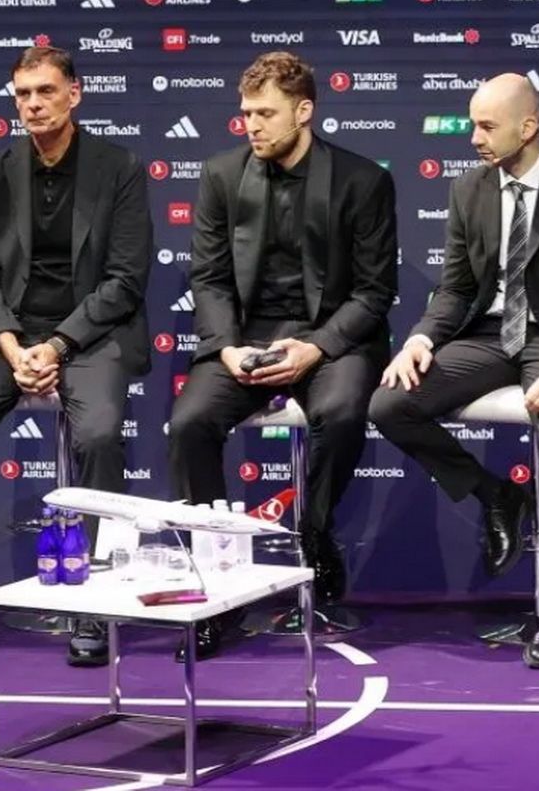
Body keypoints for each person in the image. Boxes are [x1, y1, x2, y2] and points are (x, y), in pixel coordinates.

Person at [368, 72, 539, 670]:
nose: (474, 138)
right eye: (472, 125)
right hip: (488, 336)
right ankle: (497, 495)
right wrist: (421, 338)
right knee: (390, 403)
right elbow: (457, 286)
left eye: (487, 126)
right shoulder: (469, 188)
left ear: (528, 126)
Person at [0, 46, 152, 667]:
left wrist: (56, 345)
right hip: (12, 336)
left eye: (45, 91)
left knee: (98, 435)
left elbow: (125, 280)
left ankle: (95, 594)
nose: (33, 105)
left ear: (75, 94)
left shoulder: (119, 167)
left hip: (92, 333)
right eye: (22, 94)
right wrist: (12, 345)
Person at [164, 50, 398, 661]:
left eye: (265, 113)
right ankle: (217, 584)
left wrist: (316, 346)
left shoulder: (363, 181)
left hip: (331, 337)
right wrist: (227, 348)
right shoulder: (221, 176)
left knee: (341, 414)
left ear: (304, 111)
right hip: (246, 338)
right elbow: (210, 278)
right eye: (246, 113)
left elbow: (374, 292)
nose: (252, 125)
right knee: (189, 424)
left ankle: (314, 533)